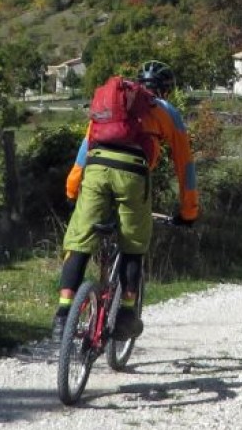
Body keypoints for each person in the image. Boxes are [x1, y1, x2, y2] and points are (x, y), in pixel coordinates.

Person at [52, 60, 199, 341]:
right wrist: (188, 210)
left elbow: (87, 147)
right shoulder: (167, 111)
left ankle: (62, 316)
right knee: (133, 245)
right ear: (166, 91)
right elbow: (185, 165)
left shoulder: (113, 104)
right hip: (132, 175)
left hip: (95, 170)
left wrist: (72, 188)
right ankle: (126, 316)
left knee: (78, 242)